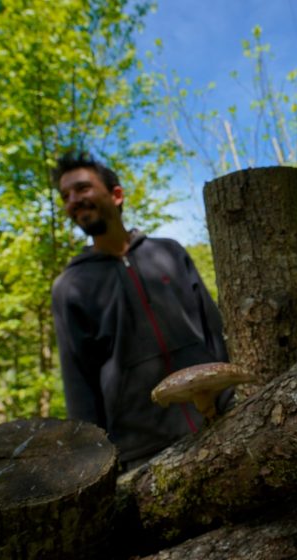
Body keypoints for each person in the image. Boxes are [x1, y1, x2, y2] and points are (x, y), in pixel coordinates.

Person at [50, 152, 230, 468]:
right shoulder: (70, 286)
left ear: (116, 195)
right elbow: (79, 386)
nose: (73, 200)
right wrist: (96, 463)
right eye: (66, 196)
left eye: (82, 189)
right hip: (144, 454)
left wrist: (232, 398)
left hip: (222, 419)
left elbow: (213, 330)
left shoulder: (169, 253)